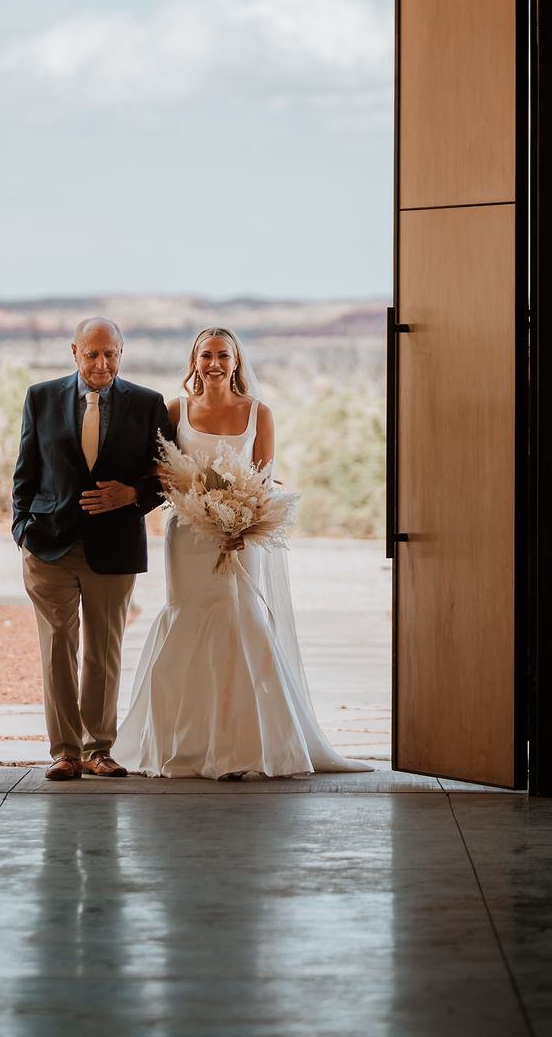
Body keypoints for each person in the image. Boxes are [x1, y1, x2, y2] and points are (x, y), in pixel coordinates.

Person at [114, 327, 373, 779]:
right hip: (189, 536)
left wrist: (244, 525)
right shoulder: (176, 409)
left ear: (236, 362)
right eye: (206, 355)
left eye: (223, 356)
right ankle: (186, 745)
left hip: (240, 537)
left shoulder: (259, 413)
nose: (214, 363)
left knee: (242, 619)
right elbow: (163, 475)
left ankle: (245, 747)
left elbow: (266, 479)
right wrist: (195, 505)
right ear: (194, 361)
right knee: (189, 618)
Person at [12, 317, 172, 781]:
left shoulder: (147, 404)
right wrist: (22, 527)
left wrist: (133, 496)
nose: (101, 364)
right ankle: (65, 752)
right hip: (48, 545)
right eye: (92, 354)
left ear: (122, 353)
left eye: (110, 354)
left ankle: (98, 749)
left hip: (115, 546)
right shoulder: (40, 398)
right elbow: (26, 469)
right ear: (74, 352)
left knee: (104, 650)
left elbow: (168, 478)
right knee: (58, 646)